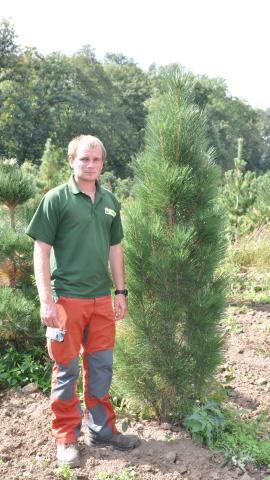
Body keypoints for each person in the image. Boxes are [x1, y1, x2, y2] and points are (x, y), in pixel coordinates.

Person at [26, 134, 139, 468]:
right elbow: (41, 251)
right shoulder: (56, 199)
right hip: (67, 302)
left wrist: (120, 291)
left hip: (101, 300)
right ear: (71, 160)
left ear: (102, 163)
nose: (90, 165)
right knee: (66, 369)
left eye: (96, 160)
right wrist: (46, 300)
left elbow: (114, 248)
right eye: (84, 159)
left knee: (101, 366)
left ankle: (102, 431)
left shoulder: (109, 201)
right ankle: (66, 438)